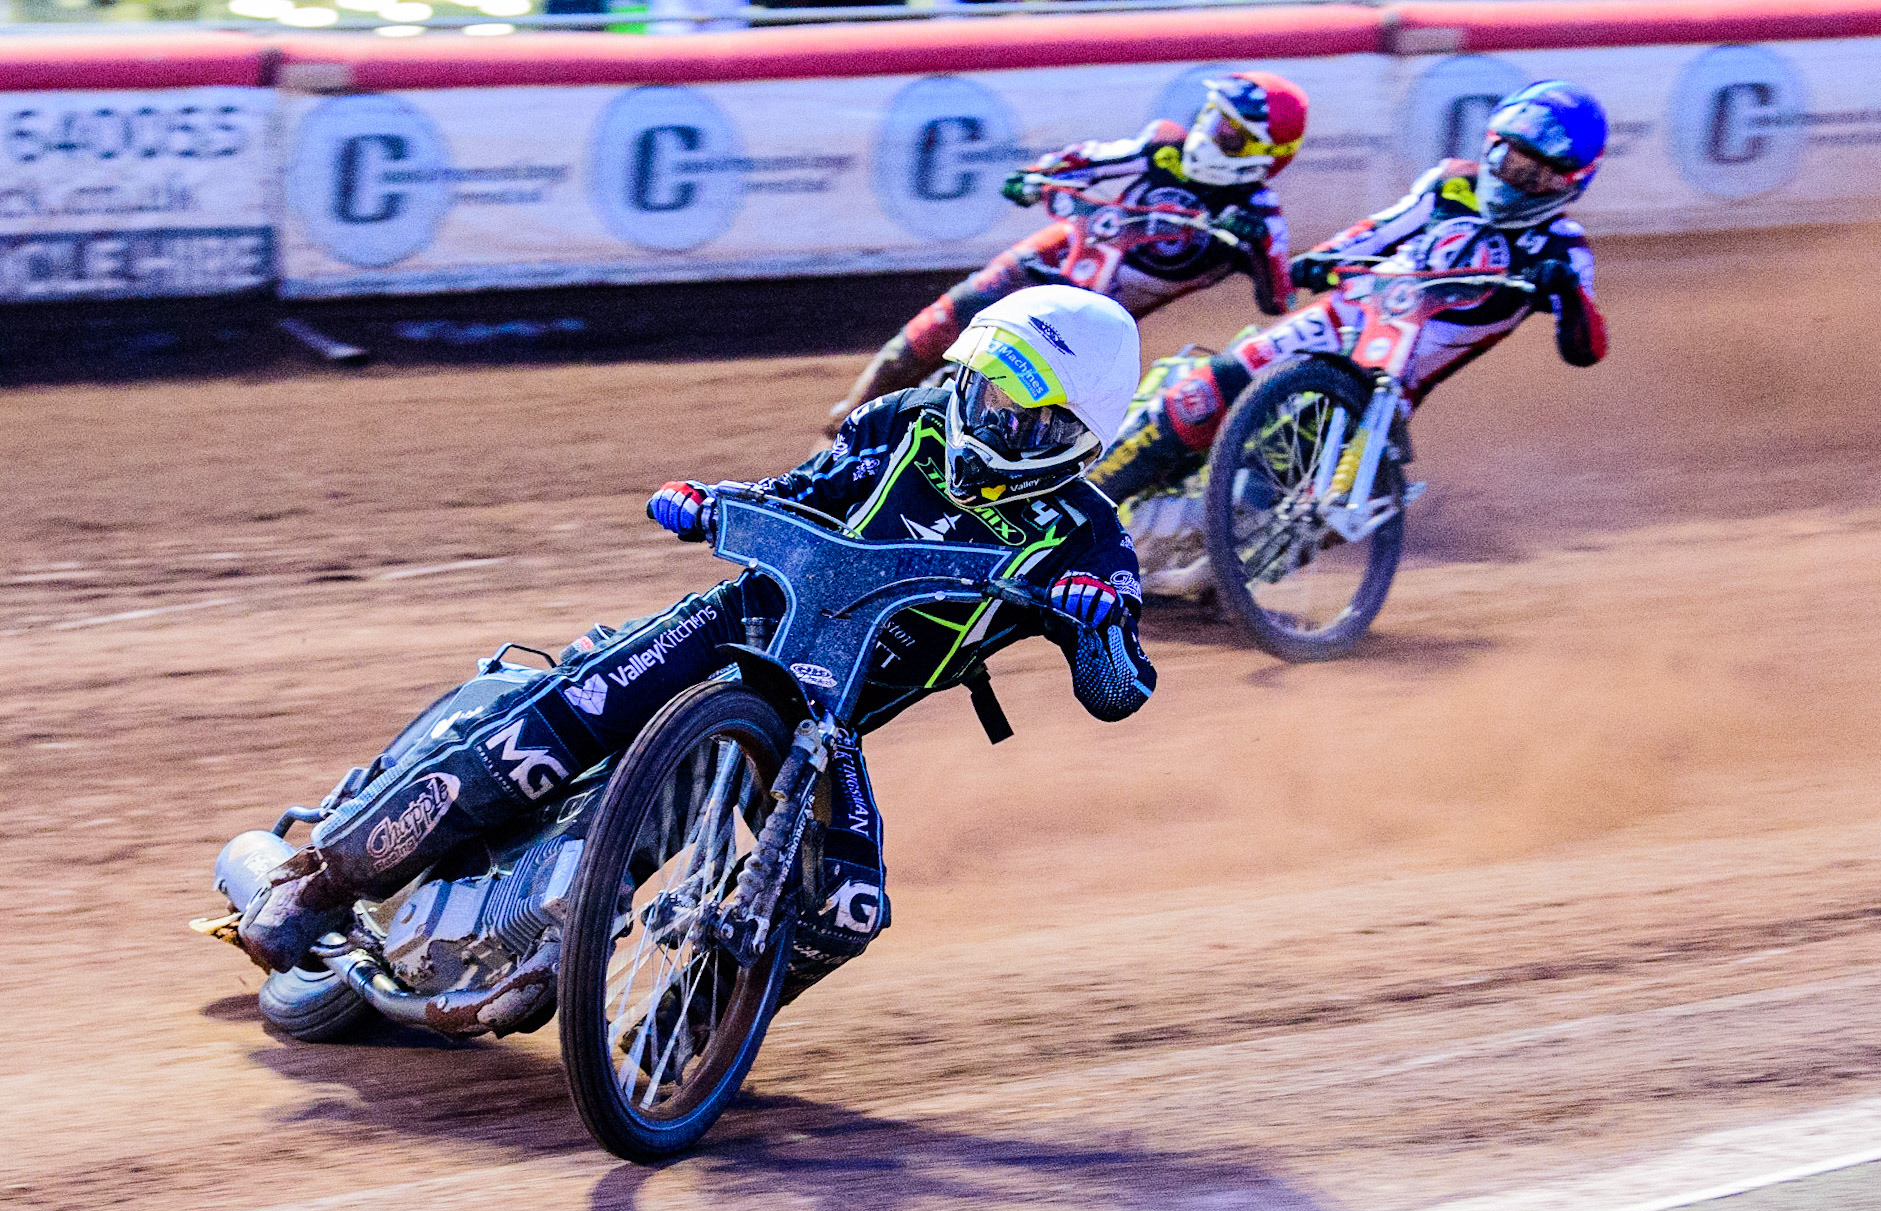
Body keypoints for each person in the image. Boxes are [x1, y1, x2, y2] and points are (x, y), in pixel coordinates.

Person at [235, 286, 1158, 983]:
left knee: (848, 906)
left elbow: (1118, 693)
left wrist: (1096, 621)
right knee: (543, 737)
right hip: (736, 629)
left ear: (1070, 432)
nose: (978, 410)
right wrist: (712, 503)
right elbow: (799, 490)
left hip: (827, 722)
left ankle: (686, 1038)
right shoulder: (902, 423)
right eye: (977, 383)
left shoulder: (1089, 537)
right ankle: (321, 881)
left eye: (1010, 405)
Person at [1088, 80, 1609, 504]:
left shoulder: (1564, 250)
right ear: (1491, 146)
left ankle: (1222, 566)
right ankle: (1087, 503)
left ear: (1568, 183)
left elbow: (1587, 350)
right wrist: (1322, 259)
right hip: (1345, 315)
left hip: (1393, 378)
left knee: (1273, 484)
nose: (1514, 177)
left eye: (1534, 173)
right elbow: (1377, 231)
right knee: (1206, 389)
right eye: (1508, 159)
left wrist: (1568, 296)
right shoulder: (1451, 184)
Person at [829, 72, 1309, 427]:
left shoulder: (1260, 217)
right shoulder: (1163, 148)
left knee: (1039, 424)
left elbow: (1279, 300)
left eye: (1231, 133)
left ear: (1264, 154)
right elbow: (1089, 160)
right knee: (921, 340)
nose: (1211, 134)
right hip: (1041, 264)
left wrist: (1254, 247)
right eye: (1213, 118)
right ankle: (844, 425)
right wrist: (1036, 177)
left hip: (1089, 324)